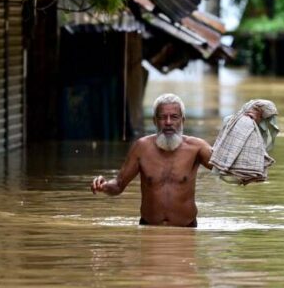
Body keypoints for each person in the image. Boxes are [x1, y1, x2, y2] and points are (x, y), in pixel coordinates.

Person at [91, 93, 212, 227]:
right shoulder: (141, 147)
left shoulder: (197, 147)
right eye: (162, 117)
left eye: (174, 117)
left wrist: (239, 176)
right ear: (155, 121)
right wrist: (104, 186)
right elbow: (118, 185)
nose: (168, 122)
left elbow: (225, 168)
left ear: (182, 120)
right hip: (149, 228)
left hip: (186, 230)